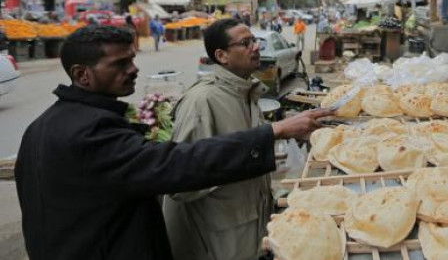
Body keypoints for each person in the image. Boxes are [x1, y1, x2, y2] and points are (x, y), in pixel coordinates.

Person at [15, 25, 332, 260]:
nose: (134, 69)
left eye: (132, 59)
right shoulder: (89, 133)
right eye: (120, 64)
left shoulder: (46, 125)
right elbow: (179, 164)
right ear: (82, 74)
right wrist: (272, 133)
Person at [162, 19, 269, 260]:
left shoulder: (245, 91)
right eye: (246, 43)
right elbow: (182, 181)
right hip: (217, 240)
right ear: (222, 56)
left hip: (247, 232)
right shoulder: (203, 102)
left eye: (255, 40)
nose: (256, 47)